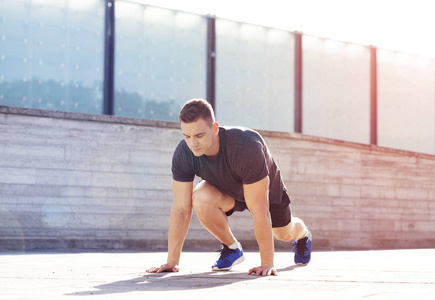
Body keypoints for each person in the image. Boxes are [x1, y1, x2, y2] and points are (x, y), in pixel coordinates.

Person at [146, 99, 311, 276]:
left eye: (199, 135)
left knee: (284, 233)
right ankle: (232, 248)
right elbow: (181, 209)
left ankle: (303, 234)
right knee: (200, 198)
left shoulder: (246, 146)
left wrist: (267, 263)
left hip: (266, 195)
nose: (193, 143)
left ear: (215, 128)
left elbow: (260, 209)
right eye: (187, 136)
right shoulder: (184, 153)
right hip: (228, 192)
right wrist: (172, 260)